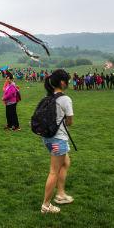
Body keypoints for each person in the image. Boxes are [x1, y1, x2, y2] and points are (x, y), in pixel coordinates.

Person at [40, 69, 74, 214]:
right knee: (54, 171)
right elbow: (70, 121)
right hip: (58, 139)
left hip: (48, 138)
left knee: (65, 163)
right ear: (62, 82)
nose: (68, 82)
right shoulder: (65, 99)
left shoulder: (48, 97)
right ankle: (46, 205)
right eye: (67, 80)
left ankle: (60, 194)